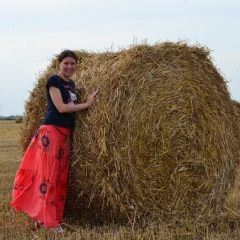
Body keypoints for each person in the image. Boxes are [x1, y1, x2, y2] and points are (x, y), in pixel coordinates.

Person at [10, 50, 98, 233]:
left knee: (59, 178)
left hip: (64, 135)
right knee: (48, 178)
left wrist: (76, 92)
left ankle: (43, 218)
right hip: (51, 134)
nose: (69, 67)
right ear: (59, 63)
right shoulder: (53, 81)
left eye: (73, 63)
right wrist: (88, 104)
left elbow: (69, 97)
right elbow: (61, 107)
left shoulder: (70, 84)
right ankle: (50, 223)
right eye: (66, 63)